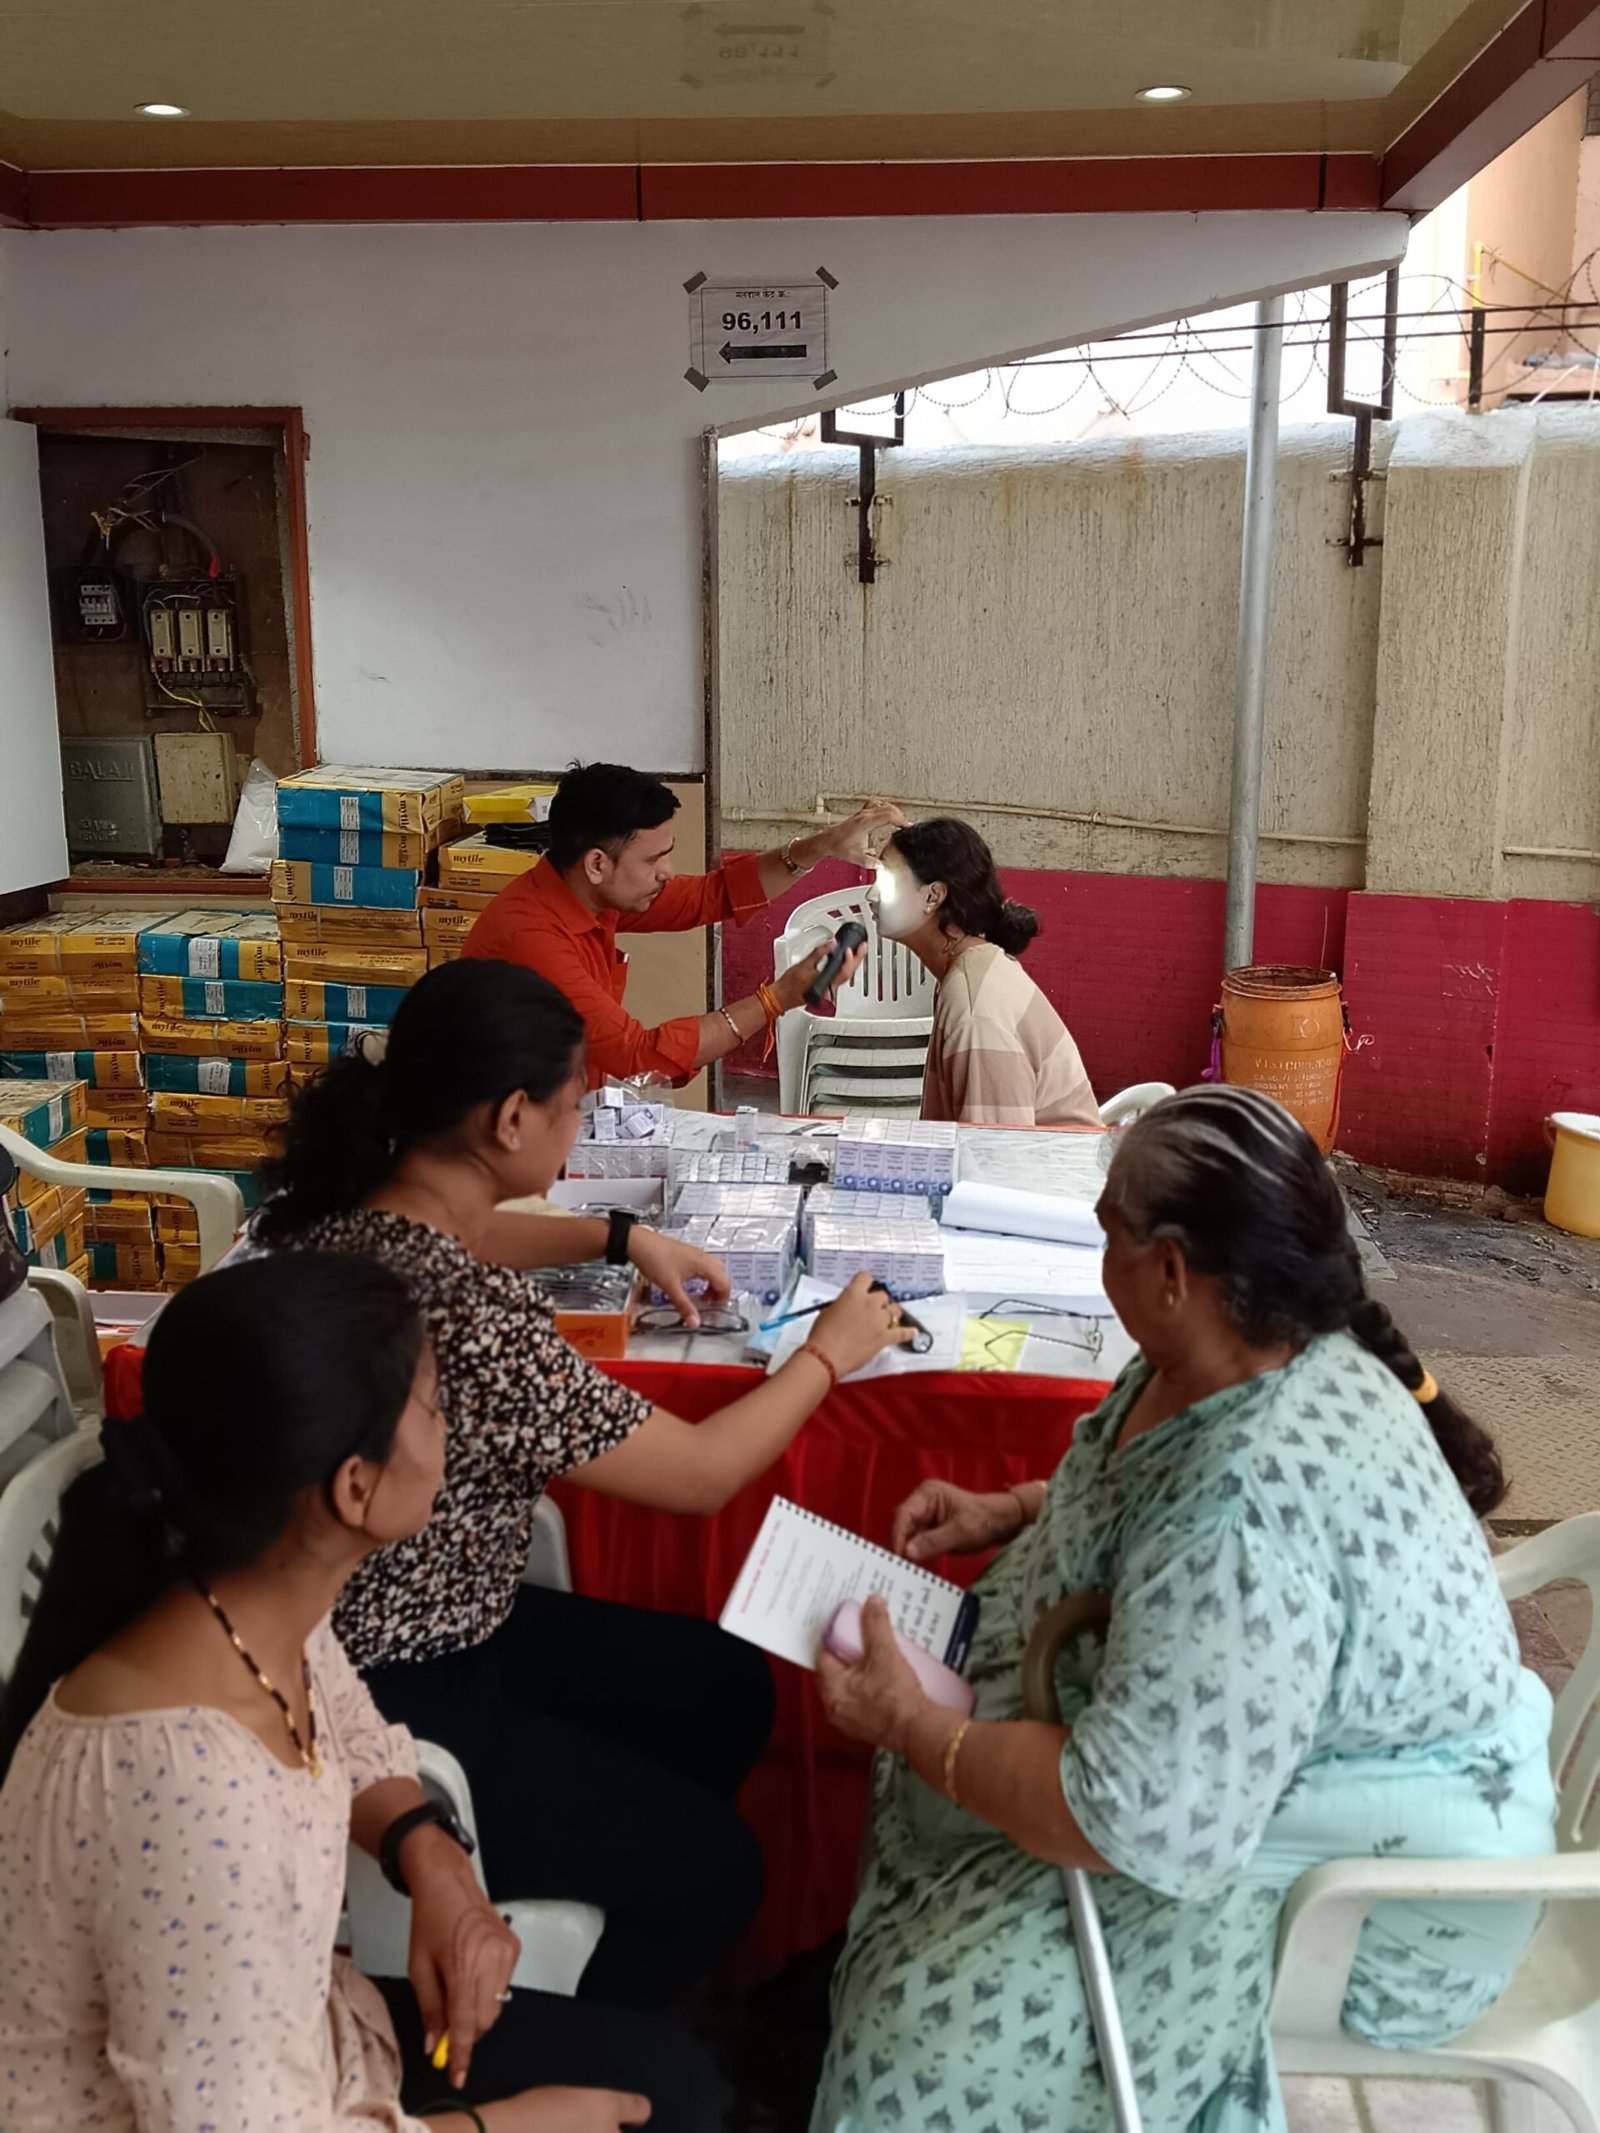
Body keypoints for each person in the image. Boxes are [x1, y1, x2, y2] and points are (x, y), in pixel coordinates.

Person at [810, 1084, 1555, 2133]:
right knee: (937, 1855)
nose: (1097, 1244)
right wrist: (1017, 1507)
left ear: (1169, 1271)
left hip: (1376, 1895)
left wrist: (920, 1730)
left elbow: (1124, 1816)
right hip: (1227, 1774)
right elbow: (1148, 1497)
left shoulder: (1245, 1517)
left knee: (927, 2039)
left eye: (1107, 1227)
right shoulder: (1242, 1348)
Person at [254, 956, 913, 2015]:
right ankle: (577, 2025)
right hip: (405, 1676)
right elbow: (700, 1475)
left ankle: (609, 1861)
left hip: (397, 1619)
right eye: (574, 1106)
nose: (579, 1131)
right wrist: (829, 1353)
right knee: (719, 1869)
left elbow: (474, 1227)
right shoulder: (470, 1318)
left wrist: (619, 1233)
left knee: (722, 1686)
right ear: (512, 1118)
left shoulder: (343, 1217)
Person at [0, 1253, 723, 2132]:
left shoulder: (249, 1597)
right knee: (666, 2102)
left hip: (321, 2046)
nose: (449, 1426)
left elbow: (349, 1721)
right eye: (433, 1405)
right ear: (354, 1485)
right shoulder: (182, 1788)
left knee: (674, 2085)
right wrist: (506, 2124)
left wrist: (429, 1851)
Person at [462, 760, 905, 1088]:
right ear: (597, 864)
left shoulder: (591, 896)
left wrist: (824, 844)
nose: (667, 872)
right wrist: (775, 999)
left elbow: (713, 895)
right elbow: (637, 1056)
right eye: (653, 860)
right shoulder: (530, 937)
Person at [869, 816, 1100, 1128]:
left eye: (886, 879)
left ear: (933, 896)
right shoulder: (971, 969)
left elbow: (995, 1150)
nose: (872, 895)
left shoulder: (974, 1006)